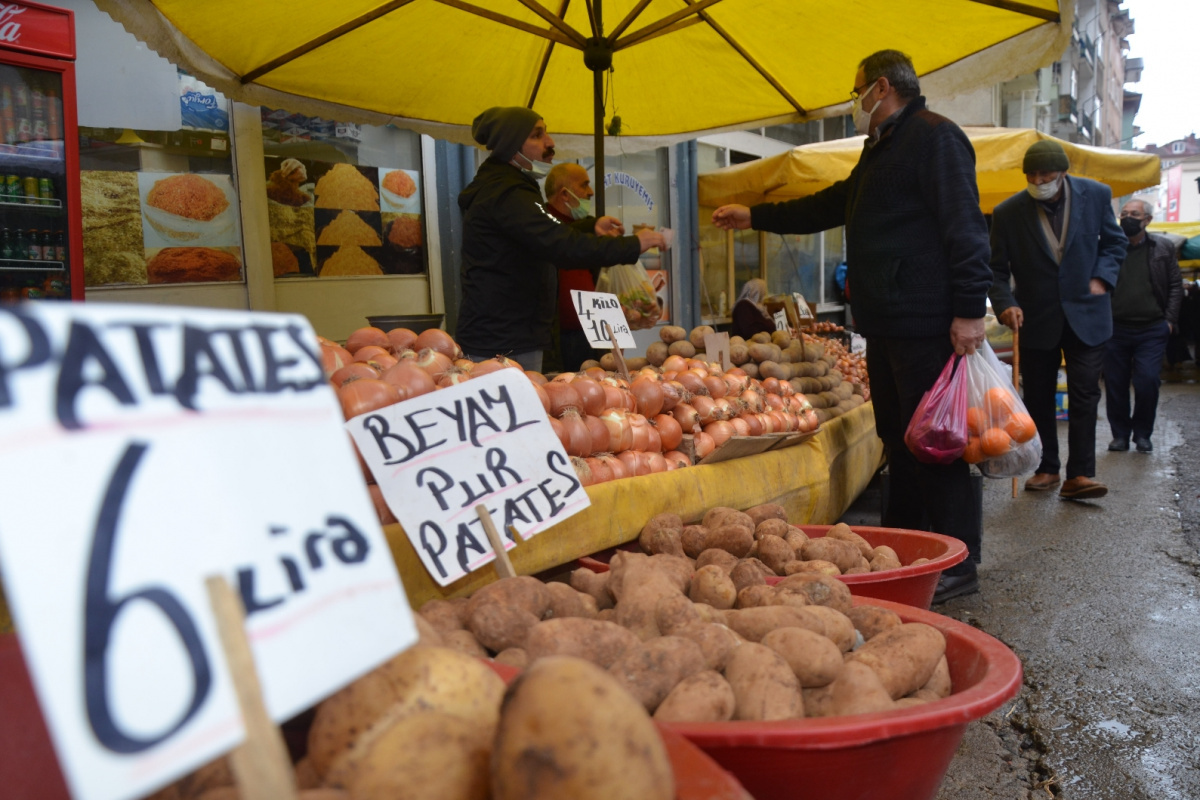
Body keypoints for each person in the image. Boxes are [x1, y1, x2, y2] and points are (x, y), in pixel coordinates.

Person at [712, 50, 991, 603]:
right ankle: (909, 551)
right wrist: (757, 216)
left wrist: (968, 311)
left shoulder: (936, 138)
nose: (852, 100)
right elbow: (834, 204)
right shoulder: (879, 146)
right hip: (884, 322)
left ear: (880, 87)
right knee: (897, 440)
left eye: (855, 89)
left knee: (936, 446)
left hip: (926, 322)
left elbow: (966, 228)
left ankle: (959, 561)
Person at [456, 107, 665, 372]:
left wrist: (590, 225)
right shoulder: (507, 194)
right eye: (537, 135)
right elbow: (560, 243)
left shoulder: (511, 190)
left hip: (508, 336)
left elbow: (548, 228)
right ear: (512, 146)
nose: (550, 142)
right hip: (503, 342)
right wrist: (634, 244)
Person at [988, 140, 1127, 500]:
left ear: (1063, 173)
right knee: (1037, 396)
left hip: (1088, 313)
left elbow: (1115, 244)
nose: (1038, 180)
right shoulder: (1008, 212)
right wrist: (1004, 304)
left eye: (1046, 175)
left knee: (1084, 392)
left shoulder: (1096, 195)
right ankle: (1047, 467)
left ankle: (1079, 475)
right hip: (1035, 317)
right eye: (1031, 175)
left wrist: (1103, 278)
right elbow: (996, 271)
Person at [1103, 199, 1182, 453]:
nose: (1128, 218)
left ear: (1147, 219)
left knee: (1147, 381)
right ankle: (1120, 435)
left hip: (1152, 329)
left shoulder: (1163, 247)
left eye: (1134, 214)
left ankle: (1143, 433)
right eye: (1124, 213)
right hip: (1115, 328)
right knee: (1115, 384)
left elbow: (1175, 286)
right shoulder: (1109, 246)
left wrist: (1169, 321)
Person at [543, 162, 607, 371]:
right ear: (564, 194)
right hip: (555, 340)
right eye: (584, 185)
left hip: (590, 335)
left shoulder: (589, 228)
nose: (591, 192)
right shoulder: (540, 229)